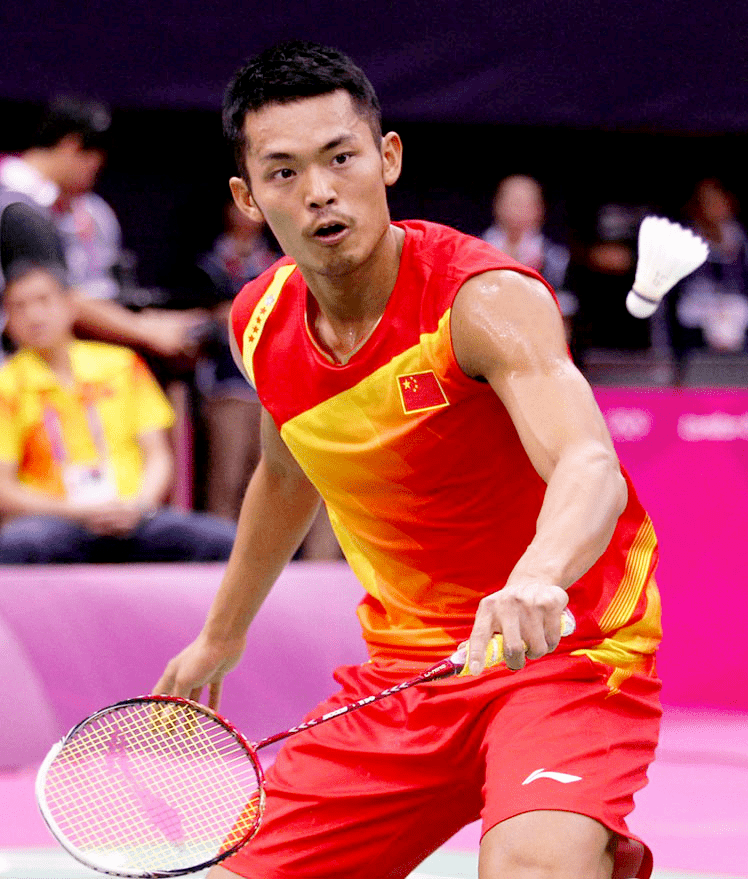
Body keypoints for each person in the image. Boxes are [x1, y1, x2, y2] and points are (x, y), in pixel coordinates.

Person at [154, 41, 662, 879]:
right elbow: (287, 473)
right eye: (283, 172)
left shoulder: (481, 300)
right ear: (247, 198)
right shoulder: (259, 324)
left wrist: (537, 576)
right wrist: (221, 633)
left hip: (563, 647)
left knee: (533, 869)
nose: (319, 191)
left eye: (341, 157)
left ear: (387, 158)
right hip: (410, 670)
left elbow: (587, 462)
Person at [0, 239, 237, 563]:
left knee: (226, 542)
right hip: (58, 520)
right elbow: (5, 489)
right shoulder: (6, 385)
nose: (34, 315)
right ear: (8, 321)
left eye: (43, 300)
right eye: (19, 307)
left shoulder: (122, 364)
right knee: (15, 546)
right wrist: (79, 512)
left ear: (70, 305)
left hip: (133, 515)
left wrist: (139, 506)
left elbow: (158, 456)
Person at [0, 95, 207, 361]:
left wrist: (149, 321)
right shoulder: (13, 206)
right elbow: (56, 298)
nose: (97, 169)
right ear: (70, 146)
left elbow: (100, 290)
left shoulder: (90, 209)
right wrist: (147, 331)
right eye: (94, 158)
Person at [668, 178, 748, 356]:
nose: (713, 208)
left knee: (735, 314)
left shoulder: (740, 236)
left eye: (717, 201)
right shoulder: (684, 236)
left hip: (734, 303)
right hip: (697, 302)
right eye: (706, 202)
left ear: (729, 203)